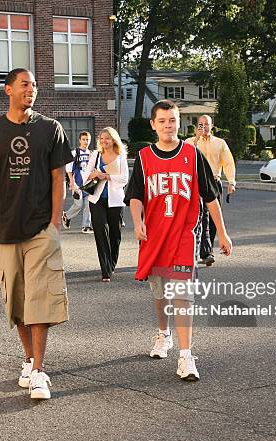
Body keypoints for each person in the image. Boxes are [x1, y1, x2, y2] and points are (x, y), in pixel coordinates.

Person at [0, 69, 73, 400]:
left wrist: (55, 221)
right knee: (16, 302)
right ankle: (29, 360)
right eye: (25, 84)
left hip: (41, 228)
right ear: (8, 90)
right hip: (5, 230)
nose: (31, 89)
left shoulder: (50, 129)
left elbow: (59, 176)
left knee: (39, 299)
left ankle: (40, 372)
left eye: (34, 84)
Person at [125, 100, 232, 380]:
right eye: (162, 121)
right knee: (160, 295)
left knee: (182, 295)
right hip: (154, 238)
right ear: (153, 124)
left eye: (172, 120)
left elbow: (210, 196)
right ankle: (164, 334)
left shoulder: (193, 154)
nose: (168, 126)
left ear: (178, 123)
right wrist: (138, 222)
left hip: (184, 236)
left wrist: (222, 232)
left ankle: (186, 357)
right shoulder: (145, 157)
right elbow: (135, 196)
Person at [185, 114, 236, 266]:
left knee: (214, 218)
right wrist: (196, 139)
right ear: (196, 127)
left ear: (212, 126)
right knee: (201, 217)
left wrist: (231, 182)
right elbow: (186, 157)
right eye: (200, 125)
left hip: (214, 181)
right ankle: (206, 252)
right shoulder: (189, 142)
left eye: (206, 124)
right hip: (196, 183)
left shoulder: (220, 143)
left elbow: (228, 163)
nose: (204, 127)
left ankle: (208, 249)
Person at [82, 127, 129, 282]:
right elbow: (84, 177)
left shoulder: (120, 155)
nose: (104, 141)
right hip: (96, 200)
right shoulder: (95, 155)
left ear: (113, 139)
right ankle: (105, 270)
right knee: (101, 231)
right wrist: (95, 174)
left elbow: (124, 179)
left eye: (107, 138)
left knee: (115, 234)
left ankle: (112, 264)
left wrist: (107, 176)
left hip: (116, 200)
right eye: (101, 139)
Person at [62, 131, 93, 233]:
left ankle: (86, 226)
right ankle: (67, 215)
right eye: (83, 139)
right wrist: (71, 182)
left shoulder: (91, 154)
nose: (86, 141)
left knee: (88, 205)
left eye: (87, 139)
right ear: (80, 140)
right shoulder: (75, 153)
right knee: (78, 205)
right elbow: (69, 169)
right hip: (77, 183)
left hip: (88, 183)